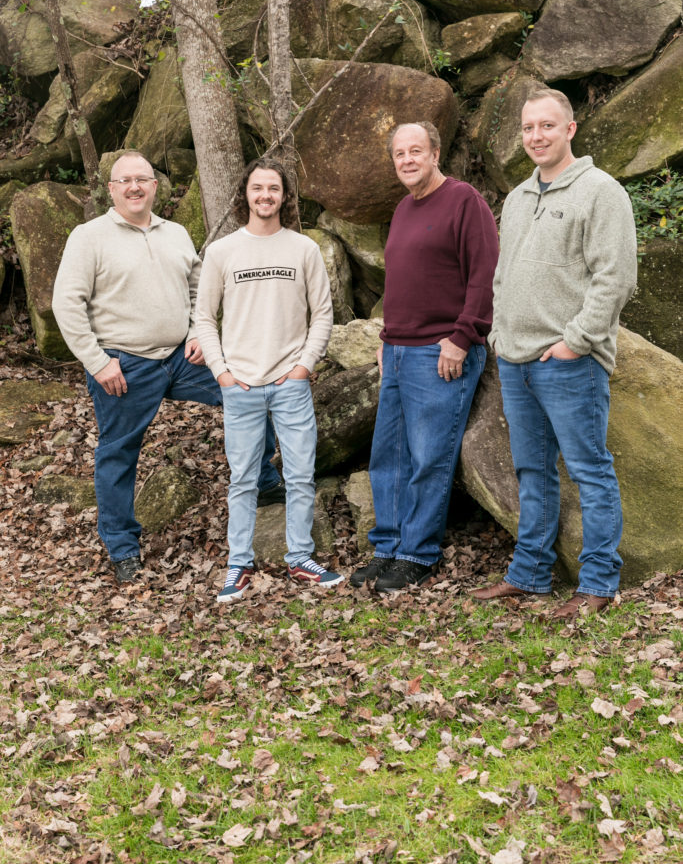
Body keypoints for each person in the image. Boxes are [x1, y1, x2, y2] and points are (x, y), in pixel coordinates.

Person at [52, 150, 283, 584]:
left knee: (249, 388)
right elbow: (66, 304)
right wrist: (97, 362)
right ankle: (122, 547)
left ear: (156, 187)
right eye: (125, 181)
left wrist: (198, 333)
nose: (135, 187)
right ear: (112, 189)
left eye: (143, 179)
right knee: (118, 453)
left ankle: (265, 479)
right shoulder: (89, 237)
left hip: (181, 355)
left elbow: (198, 290)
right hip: (123, 363)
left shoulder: (175, 233)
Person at [470, 88, 637, 619]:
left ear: (569, 129)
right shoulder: (518, 197)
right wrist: (498, 336)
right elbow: (501, 275)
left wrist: (575, 341)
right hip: (515, 362)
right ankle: (530, 575)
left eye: (547, 126)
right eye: (528, 128)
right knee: (532, 472)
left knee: (589, 470)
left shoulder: (600, 191)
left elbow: (616, 279)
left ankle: (598, 583)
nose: (536, 136)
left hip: (569, 363)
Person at [350, 122, 499, 593]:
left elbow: (485, 274)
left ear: (435, 153)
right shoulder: (403, 208)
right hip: (396, 352)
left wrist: (463, 336)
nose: (407, 160)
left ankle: (417, 553)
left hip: (441, 353)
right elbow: (403, 281)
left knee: (428, 456)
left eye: (416, 151)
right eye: (399, 154)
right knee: (388, 456)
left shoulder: (464, 201)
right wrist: (387, 336)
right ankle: (388, 548)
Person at [195, 156, 343, 603]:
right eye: (257, 188)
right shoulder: (222, 252)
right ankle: (238, 564)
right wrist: (221, 372)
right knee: (242, 479)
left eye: (273, 189)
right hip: (239, 384)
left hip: (289, 383)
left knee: (300, 476)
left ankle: (300, 557)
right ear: (246, 194)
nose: (265, 196)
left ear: (284, 196)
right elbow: (203, 317)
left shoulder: (303, 249)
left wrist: (303, 367)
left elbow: (323, 314)